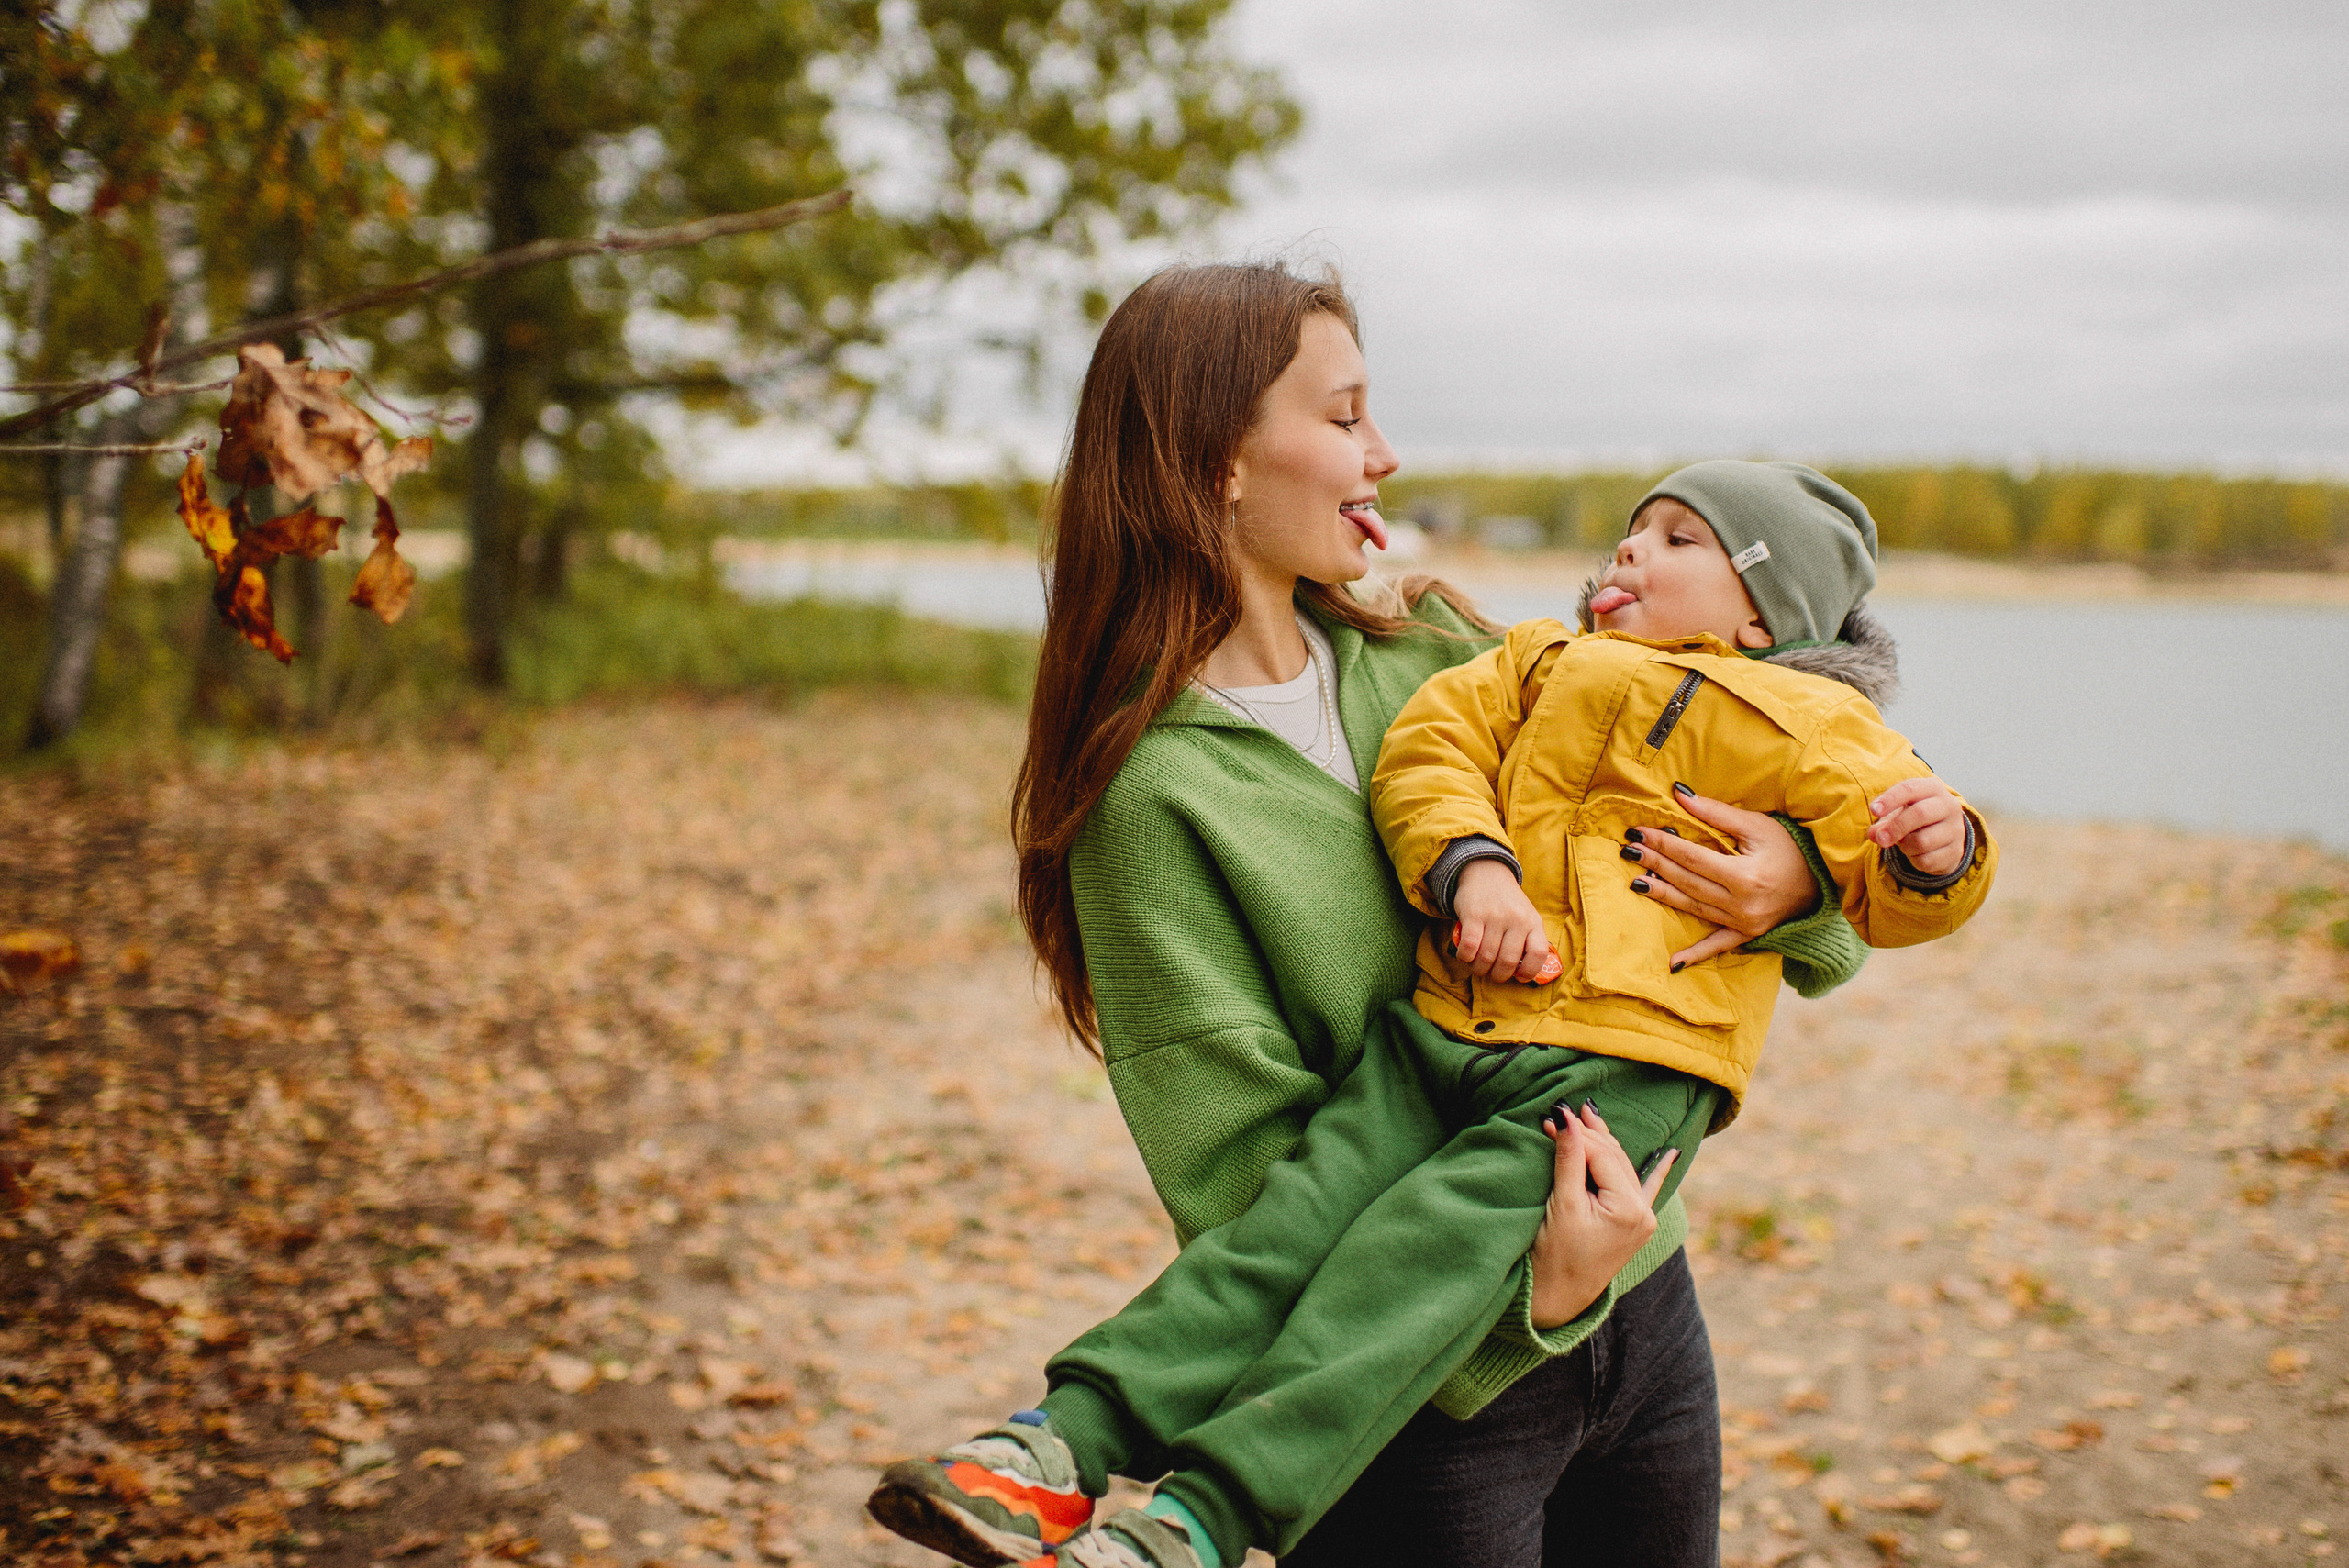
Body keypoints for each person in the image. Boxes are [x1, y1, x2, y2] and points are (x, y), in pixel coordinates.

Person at [869, 263, 1870, 1568]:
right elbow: (1247, 1190)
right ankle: (1082, 1468)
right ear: (1217, 459)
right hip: (1418, 1405)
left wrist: (1793, 878)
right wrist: (1533, 1294)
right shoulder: (1150, 800)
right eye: (1344, 417)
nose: (1384, 453)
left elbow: (1827, 930)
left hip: (1652, 1309)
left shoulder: (1443, 658)